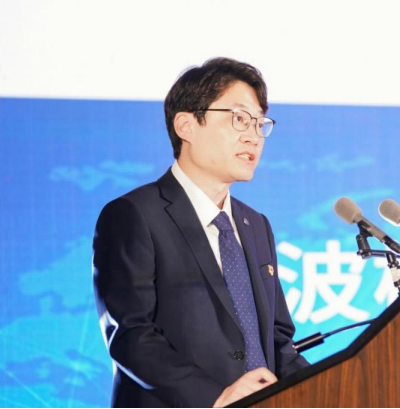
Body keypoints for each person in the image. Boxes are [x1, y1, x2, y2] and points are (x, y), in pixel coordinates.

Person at [92, 57, 309, 408]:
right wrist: (216, 397)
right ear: (186, 126)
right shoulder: (134, 215)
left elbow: (278, 340)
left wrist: (329, 389)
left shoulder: (256, 225)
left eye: (259, 123)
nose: (253, 136)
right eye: (239, 119)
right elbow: (131, 335)